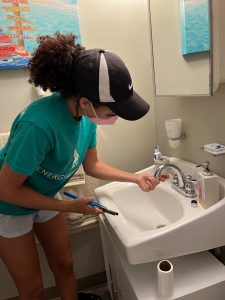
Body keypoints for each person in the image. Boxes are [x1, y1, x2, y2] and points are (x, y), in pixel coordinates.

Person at [0, 32, 161, 300]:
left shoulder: (85, 116)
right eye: (111, 112)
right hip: (10, 204)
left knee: (65, 266)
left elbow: (93, 165)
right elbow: (6, 191)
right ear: (85, 102)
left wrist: (134, 179)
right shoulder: (38, 126)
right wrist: (68, 206)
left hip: (45, 194)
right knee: (33, 289)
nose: (113, 119)